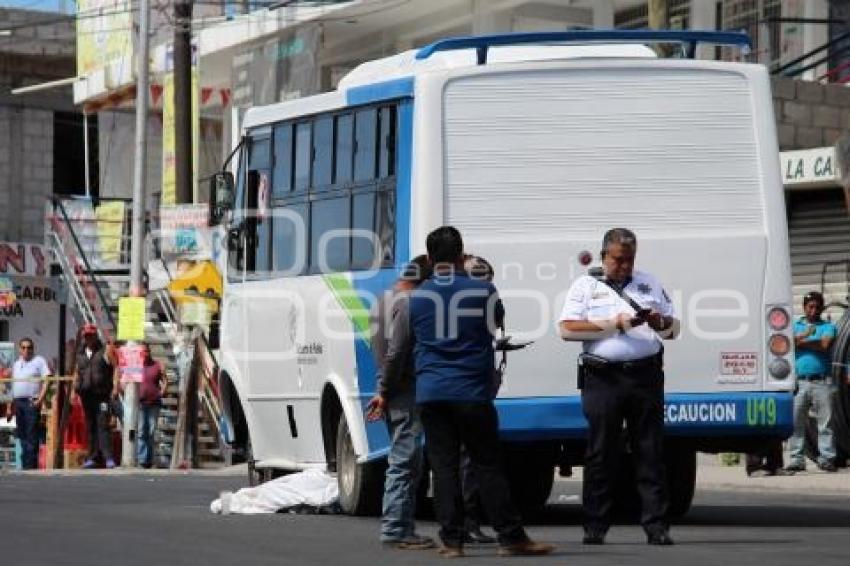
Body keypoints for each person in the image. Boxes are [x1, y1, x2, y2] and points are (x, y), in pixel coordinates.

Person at [409, 226, 554, 558]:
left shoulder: (416, 298)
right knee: (486, 464)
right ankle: (510, 537)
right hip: (471, 390)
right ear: (462, 255)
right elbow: (495, 324)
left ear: (430, 259)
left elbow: (414, 337)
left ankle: (452, 541)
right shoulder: (483, 291)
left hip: (431, 391)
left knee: (443, 468)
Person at [558, 228, 678, 546]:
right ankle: (595, 526)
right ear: (603, 256)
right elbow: (567, 330)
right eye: (618, 260)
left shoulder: (648, 282)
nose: (625, 266)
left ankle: (656, 526)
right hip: (603, 379)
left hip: (645, 377)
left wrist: (657, 322)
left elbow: (673, 328)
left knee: (650, 451)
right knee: (601, 452)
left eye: (630, 260)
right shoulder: (585, 286)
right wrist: (615, 324)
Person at [365, 255, 435, 550]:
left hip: (393, 389)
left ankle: (403, 527)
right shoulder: (407, 303)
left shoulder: (381, 299)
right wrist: (385, 389)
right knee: (405, 463)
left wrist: (383, 389)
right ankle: (396, 529)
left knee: (405, 461)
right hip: (403, 391)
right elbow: (396, 353)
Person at [785, 291, 838, 473]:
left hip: (822, 382)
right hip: (799, 382)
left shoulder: (828, 326)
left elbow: (824, 345)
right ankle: (796, 459)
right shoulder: (794, 325)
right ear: (804, 307)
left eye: (817, 307)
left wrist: (801, 340)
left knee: (825, 423)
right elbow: (785, 342)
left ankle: (827, 458)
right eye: (810, 307)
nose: (813, 310)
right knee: (796, 422)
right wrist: (805, 338)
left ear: (822, 308)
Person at [73, 324, 117, 469]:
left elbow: (116, 367)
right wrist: (74, 391)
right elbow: (77, 372)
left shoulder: (105, 349)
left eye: (91, 335)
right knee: (90, 426)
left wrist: (115, 387)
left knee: (103, 425)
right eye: (86, 336)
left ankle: (108, 457)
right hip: (86, 394)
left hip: (102, 394)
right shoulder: (80, 353)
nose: (89, 338)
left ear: (96, 335)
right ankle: (92, 457)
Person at [7, 338, 51, 470]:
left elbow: (47, 380)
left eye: (29, 347)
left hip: (31, 401)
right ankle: (25, 464)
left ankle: (30, 466)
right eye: (24, 347)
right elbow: (11, 386)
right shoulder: (16, 364)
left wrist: (40, 399)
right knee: (22, 435)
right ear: (20, 349)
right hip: (18, 402)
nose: (27, 350)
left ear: (33, 348)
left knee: (31, 434)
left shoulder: (39, 361)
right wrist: (9, 407)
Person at [135, 343, 166, 469]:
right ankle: (143, 460)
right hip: (141, 403)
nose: (144, 354)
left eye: (146, 351)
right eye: (142, 352)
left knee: (152, 431)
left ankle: (151, 459)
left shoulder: (157, 365)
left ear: (149, 351)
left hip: (154, 403)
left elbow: (165, 380)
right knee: (142, 431)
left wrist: (163, 391)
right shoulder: (135, 366)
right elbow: (125, 378)